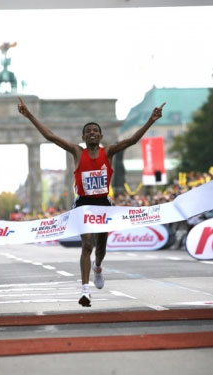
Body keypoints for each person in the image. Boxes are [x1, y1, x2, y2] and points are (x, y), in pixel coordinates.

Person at [17, 97, 165, 307]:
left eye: (96, 130)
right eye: (89, 131)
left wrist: (151, 120)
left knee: (100, 247)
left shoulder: (109, 152)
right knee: (87, 245)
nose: (92, 133)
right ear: (83, 137)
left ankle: (98, 267)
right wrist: (29, 114)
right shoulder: (77, 152)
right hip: (84, 204)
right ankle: (85, 291)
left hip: (103, 204)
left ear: (101, 135)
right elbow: (50, 136)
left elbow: (131, 141)